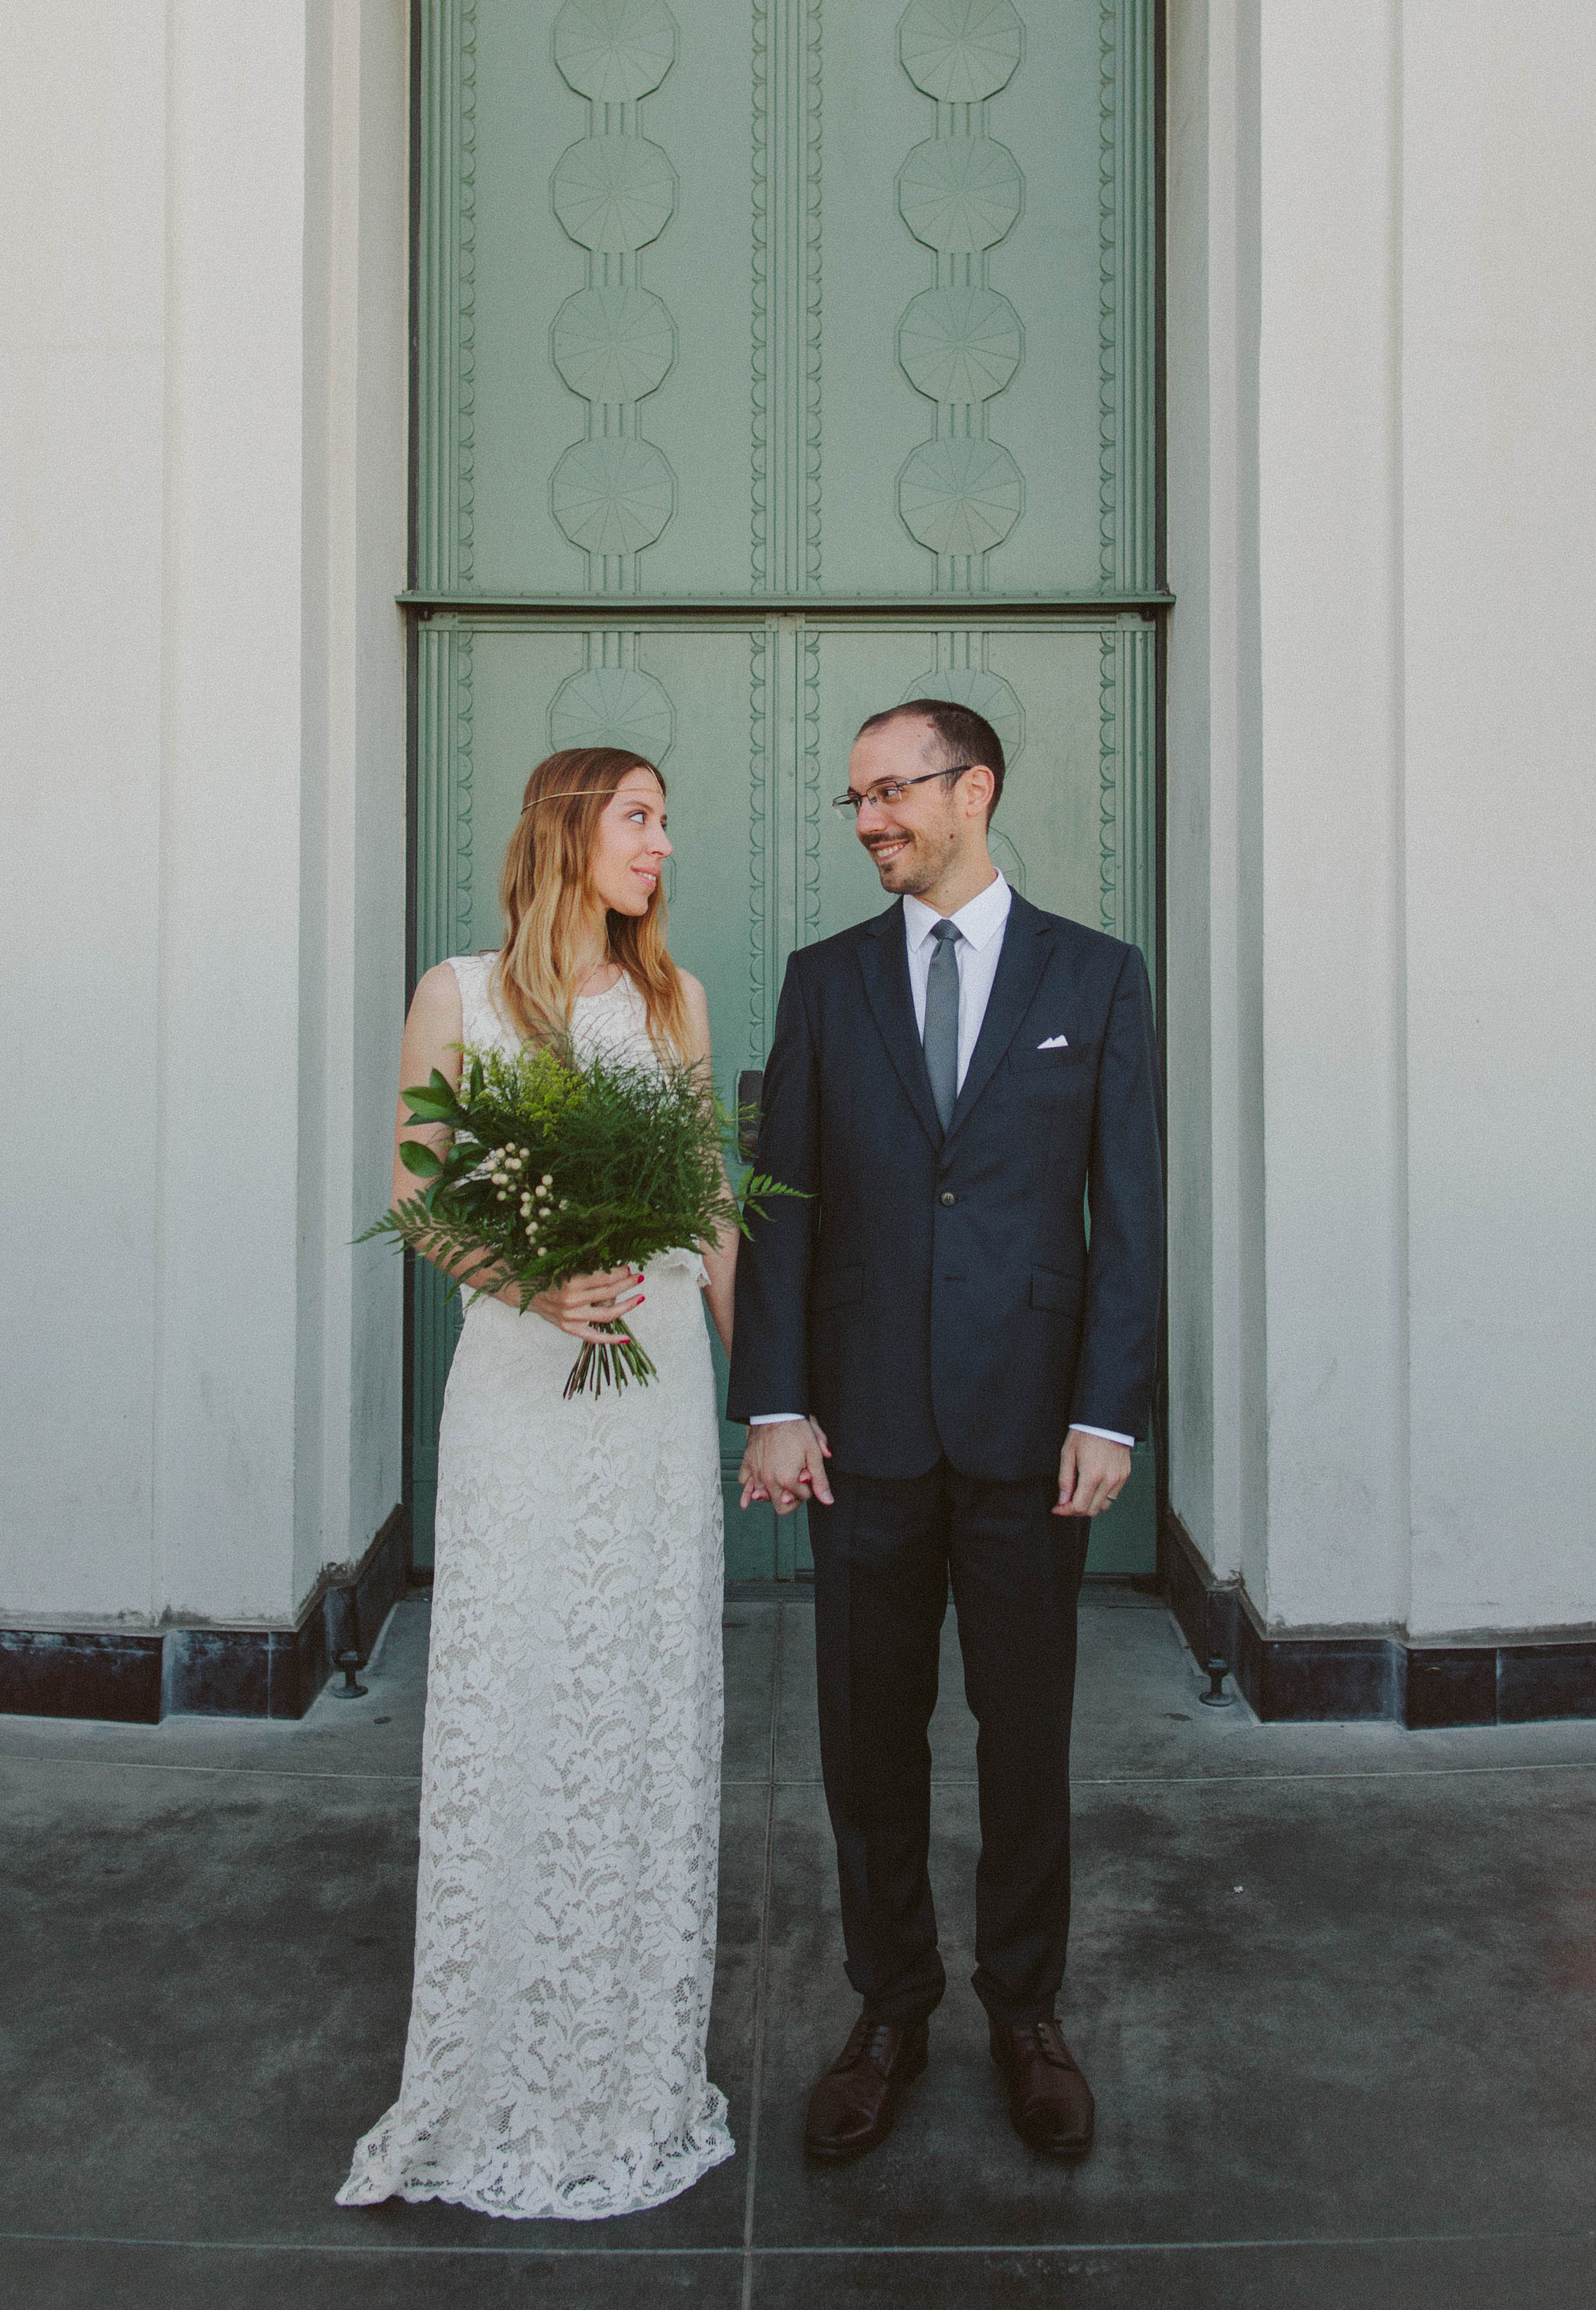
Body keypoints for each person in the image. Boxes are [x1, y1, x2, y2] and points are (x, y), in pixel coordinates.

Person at [729, 700, 1163, 2167]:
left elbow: (1132, 1216)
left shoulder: (1097, 977)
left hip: (1036, 1433)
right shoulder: (823, 982)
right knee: (867, 1737)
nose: (867, 822)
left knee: (1025, 1732)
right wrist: (777, 1403)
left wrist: (1110, 1406)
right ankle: (890, 2006)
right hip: (861, 1435)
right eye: (853, 799)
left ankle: (1026, 2009)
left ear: (974, 788)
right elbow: (780, 1208)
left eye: (890, 793)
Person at [339, 746, 738, 2220]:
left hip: (650, 1411)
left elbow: (710, 1200)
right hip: (521, 1394)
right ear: (570, 832)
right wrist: (531, 1283)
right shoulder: (458, 992)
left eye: (665, 816)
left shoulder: (673, 1002)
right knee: (517, 1702)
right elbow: (418, 1194)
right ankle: (491, 2061)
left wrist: (767, 1396)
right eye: (642, 815)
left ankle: (630, 2063)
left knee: (635, 1700)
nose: (664, 842)